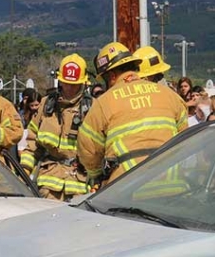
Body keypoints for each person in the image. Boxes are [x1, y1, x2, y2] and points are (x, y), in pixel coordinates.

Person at [78, 42, 188, 186]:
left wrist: (97, 174)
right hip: (173, 185)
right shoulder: (170, 96)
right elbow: (185, 137)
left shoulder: (103, 103)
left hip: (127, 191)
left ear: (111, 76)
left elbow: (88, 148)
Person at [20, 54, 91, 200]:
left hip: (80, 187)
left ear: (83, 83)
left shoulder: (93, 109)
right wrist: (24, 172)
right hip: (48, 186)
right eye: (66, 83)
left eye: (74, 84)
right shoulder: (46, 106)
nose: (70, 89)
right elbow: (32, 143)